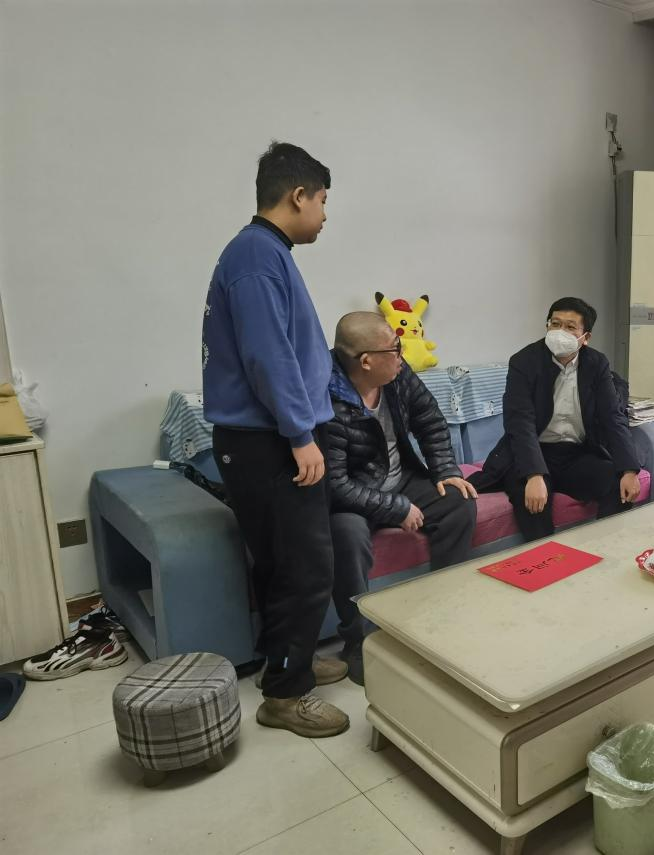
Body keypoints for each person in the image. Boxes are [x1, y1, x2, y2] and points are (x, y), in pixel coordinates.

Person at [201, 141, 349, 738]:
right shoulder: (257, 257)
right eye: (323, 201)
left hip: (265, 437)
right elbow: (268, 357)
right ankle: (287, 696)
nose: (325, 214)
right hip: (270, 440)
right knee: (307, 567)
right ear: (298, 195)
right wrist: (300, 433)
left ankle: (287, 660)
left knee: (281, 562)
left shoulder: (263, 253)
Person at [325, 312, 478, 685]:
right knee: (346, 536)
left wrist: (445, 470)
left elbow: (429, 419)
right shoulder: (323, 396)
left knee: (458, 502)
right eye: (394, 349)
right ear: (366, 361)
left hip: (403, 476)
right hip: (352, 494)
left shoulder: (395, 372)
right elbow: (334, 484)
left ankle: (441, 615)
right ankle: (358, 641)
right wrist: (395, 509)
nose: (402, 354)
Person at [470, 297, 641, 541]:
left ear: (586, 337)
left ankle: (603, 551)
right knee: (532, 502)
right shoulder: (524, 361)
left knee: (618, 485)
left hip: (576, 454)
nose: (560, 332)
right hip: (532, 452)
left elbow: (612, 417)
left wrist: (629, 469)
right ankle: (545, 561)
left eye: (570, 327)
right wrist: (534, 474)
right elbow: (520, 423)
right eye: (555, 324)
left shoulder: (596, 364)